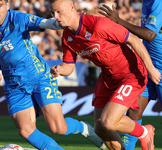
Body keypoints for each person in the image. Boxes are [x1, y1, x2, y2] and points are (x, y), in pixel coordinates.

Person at [0, 0, 107, 150]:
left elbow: (47, 23)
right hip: (14, 85)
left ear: (7, 5)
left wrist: (72, 18)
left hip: (39, 77)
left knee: (58, 128)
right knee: (25, 130)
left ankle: (82, 128)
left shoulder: (18, 18)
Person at [49, 0, 161, 149]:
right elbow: (69, 66)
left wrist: (151, 69)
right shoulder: (67, 37)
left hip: (130, 74)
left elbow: (134, 40)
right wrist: (59, 70)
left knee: (109, 121)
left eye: (59, 11)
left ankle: (144, 132)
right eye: (53, 13)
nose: (56, 17)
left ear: (71, 7)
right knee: (100, 128)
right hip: (108, 77)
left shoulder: (97, 24)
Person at [98, 1, 162, 149]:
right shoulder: (148, 2)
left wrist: (119, 21)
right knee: (133, 111)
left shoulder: (158, 2)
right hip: (148, 65)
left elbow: (150, 34)